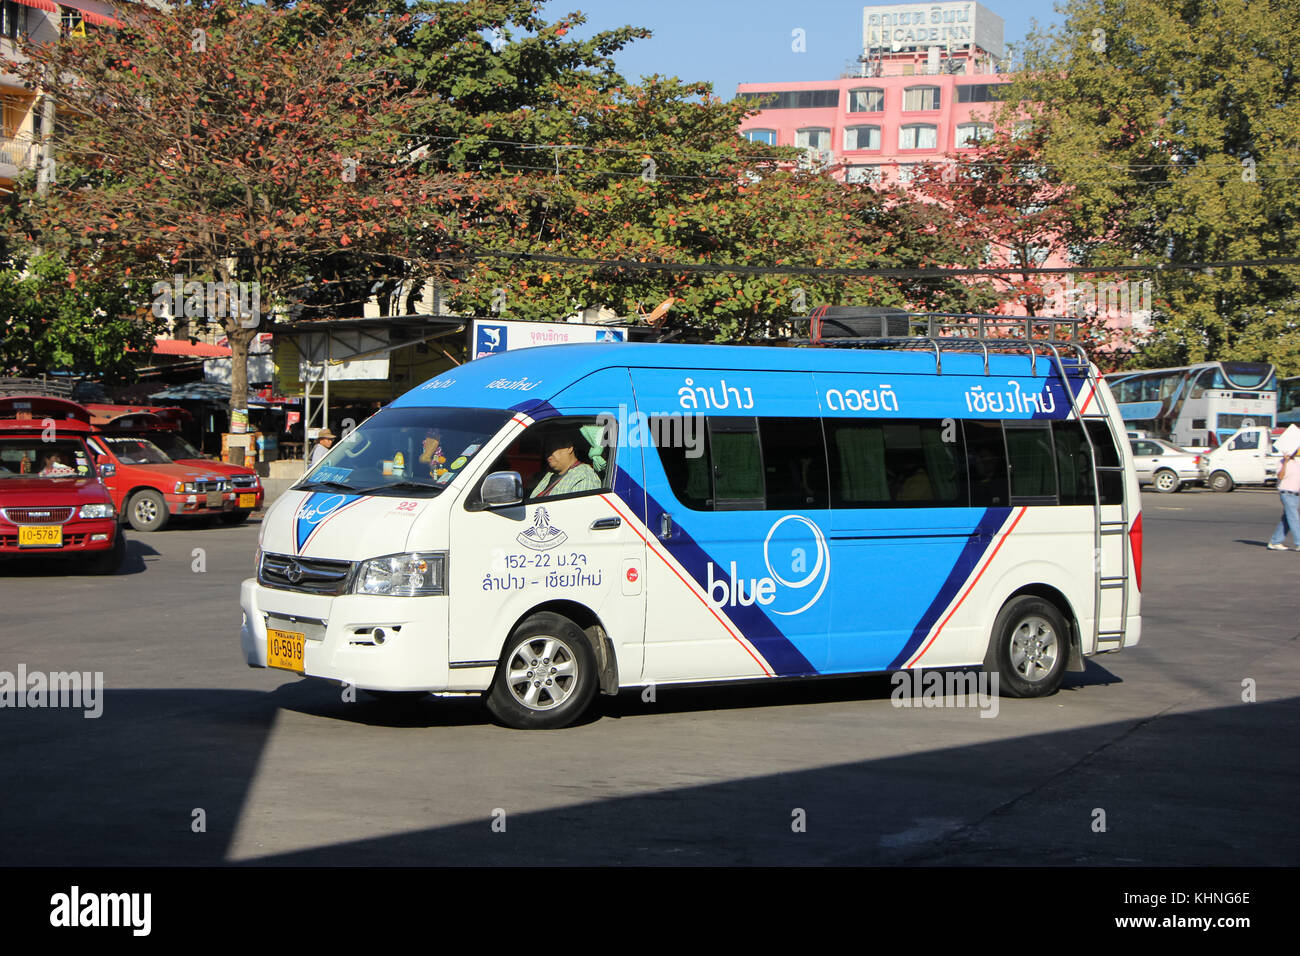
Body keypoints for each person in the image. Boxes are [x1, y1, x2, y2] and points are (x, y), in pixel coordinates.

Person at [530, 429, 601, 499]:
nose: (547, 452)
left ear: (569, 448)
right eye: (546, 448)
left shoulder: (583, 476)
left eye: (552, 447)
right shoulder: (549, 474)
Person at [1267, 446, 1300, 550]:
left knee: (1287, 519)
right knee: (1294, 518)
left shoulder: (1297, 462)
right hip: (1286, 493)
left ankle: (1275, 541)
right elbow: (1280, 476)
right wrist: (1285, 462)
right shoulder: (1281, 462)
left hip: (1296, 494)